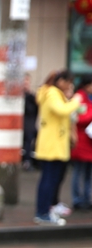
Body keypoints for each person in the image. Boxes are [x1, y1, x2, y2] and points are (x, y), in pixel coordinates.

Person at [33, 70, 84, 225]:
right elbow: (62, 110)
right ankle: (43, 213)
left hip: (53, 144)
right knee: (49, 180)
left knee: (51, 179)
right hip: (52, 144)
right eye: (69, 82)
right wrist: (76, 101)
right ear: (61, 81)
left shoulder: (51, 92)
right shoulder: (52, 93)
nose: (70, 85)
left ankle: (46, 211)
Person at [70, 74, 92, 211]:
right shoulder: (79, 97)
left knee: (88, 174)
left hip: (89, 143)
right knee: (78, 172)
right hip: (81, 141)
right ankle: (77, 200)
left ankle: (87, 198)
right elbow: (79, 118)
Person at [22, 72, 38, 171]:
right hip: (19, 125)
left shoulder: (33, 97)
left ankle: (28, 161)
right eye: (24, 81)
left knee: (29, 142)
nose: (25, 83)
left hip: (29, 125)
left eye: (27, 81)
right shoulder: (18, 98)